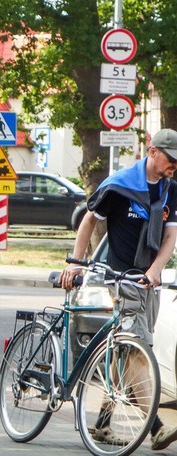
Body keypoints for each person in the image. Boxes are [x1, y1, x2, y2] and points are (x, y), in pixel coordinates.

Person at [58, 129, 177, 449]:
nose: (174, 165)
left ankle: (101, 422)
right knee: (140, 351)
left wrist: (155, 271)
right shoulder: (121, 184)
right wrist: (77, 263)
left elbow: (169, 237)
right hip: (122, 280)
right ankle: (155, 427)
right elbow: (89, 220)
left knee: (126, 350)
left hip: (148, 283)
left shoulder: (170, 190)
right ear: (153, 152)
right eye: (171, 158)